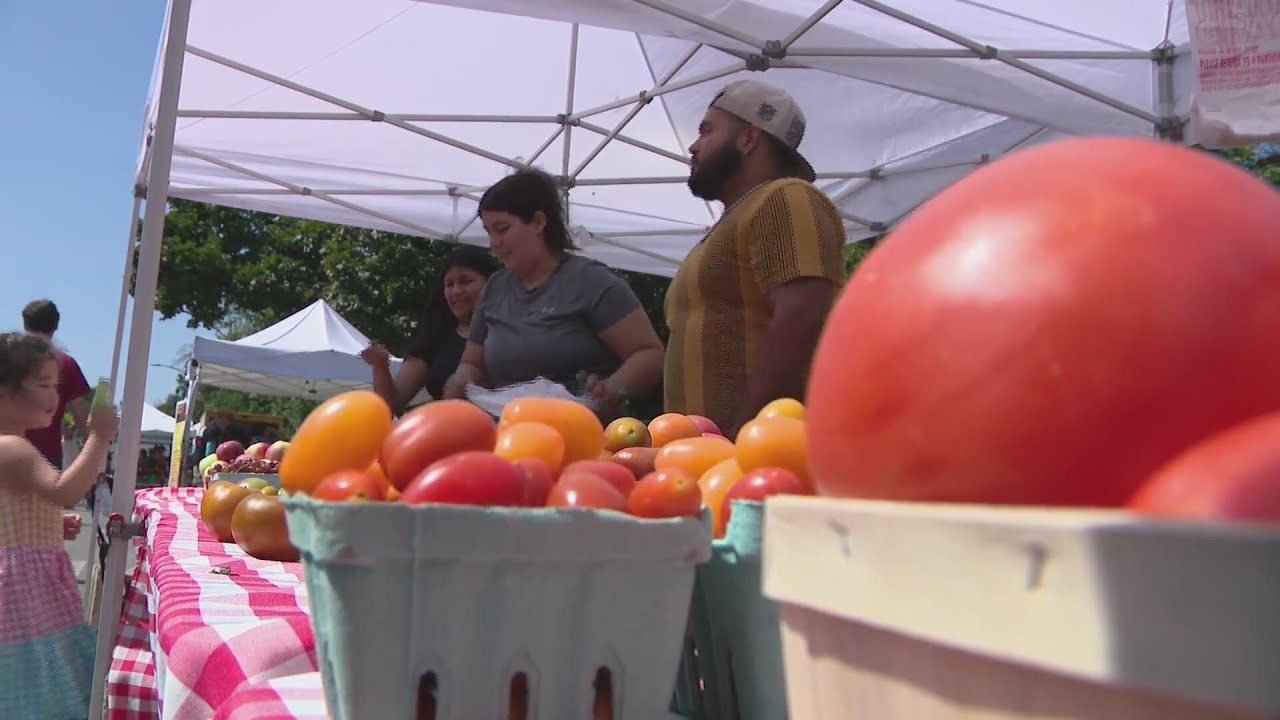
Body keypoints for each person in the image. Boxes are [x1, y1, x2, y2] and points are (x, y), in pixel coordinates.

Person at [665, 80, 847, 438]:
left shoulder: (786, 197)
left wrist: (747, 434)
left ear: (748, 139)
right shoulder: (736, 219)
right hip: (706, 456)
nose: (693, 146)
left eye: (707, 131)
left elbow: (803, 315)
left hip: (756, 452)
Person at [443, 169, 665, 419]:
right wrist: (462, 380)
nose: (494, 243)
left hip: (583, 430)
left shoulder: (592, 282)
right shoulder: (494, 288)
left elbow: (650, 354)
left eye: (502, 229)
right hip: (509, 431)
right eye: (489, 232)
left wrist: (610, 390)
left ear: (539, 222)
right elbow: (473, 363)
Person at [0, 332, 119, 717]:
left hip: (21, 585)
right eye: (44, 384)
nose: (56, 395)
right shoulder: (14, 448)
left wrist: (48, 522)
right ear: (4, 392)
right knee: (43, 675)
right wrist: (99, 437)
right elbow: (64, 490)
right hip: (24, 594)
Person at [360, 245, 500, 414]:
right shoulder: (435, 337)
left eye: (466, 281)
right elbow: (390, 405)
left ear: (492, 283)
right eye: (449, 284)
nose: (456, 291)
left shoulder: (512, 331)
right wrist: (380, 367)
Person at [21, 300, 90, 470]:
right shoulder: (66, 364)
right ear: (56, 326)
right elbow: (81, 415)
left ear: (25, 324)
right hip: (47, 457)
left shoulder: (8, 360)